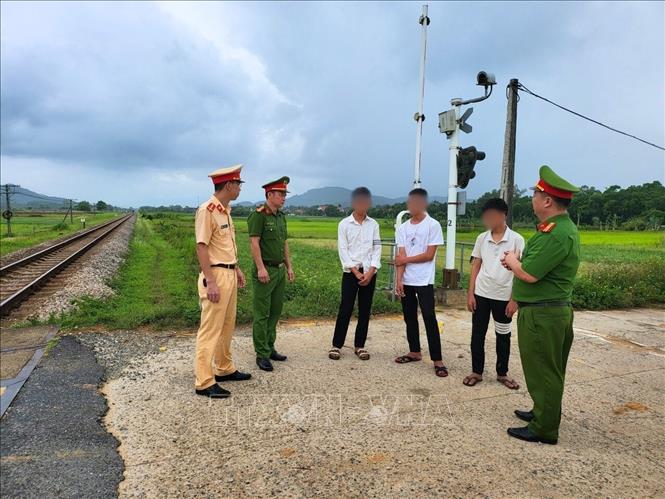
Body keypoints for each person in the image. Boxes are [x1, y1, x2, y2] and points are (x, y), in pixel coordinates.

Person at [501, 165, 580, 445]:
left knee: (544, 370)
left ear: (547, 201)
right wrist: (517, 261)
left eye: (536, 193)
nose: (532, 197)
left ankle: (544, 428)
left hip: (544, 313)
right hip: (545, 310)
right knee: (545, 367)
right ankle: (542, 412)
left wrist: (512, 262)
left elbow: (530, 274)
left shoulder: (556, 233)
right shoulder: (556, 230)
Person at [194, 165, 251, 398]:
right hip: (215, 275)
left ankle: (224, 368)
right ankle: (204, 381)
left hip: (228, 272)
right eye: (238, 184)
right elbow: (202, 246)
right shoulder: (207, 210)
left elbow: (225, 245)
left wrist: (236, 269)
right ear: (229, 185)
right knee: (210, 329)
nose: (239, 189)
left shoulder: (225, 210)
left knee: (227, 325)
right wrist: (211, 280)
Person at [464, 198, 525, 390]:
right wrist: (470, 294)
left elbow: (521, 272)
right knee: (477, 334)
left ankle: (502, 373)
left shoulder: (516, 239)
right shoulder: (482, 238)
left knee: (503, 336)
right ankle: (476, 371)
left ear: (504, 215)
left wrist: (515, 299)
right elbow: (476, 266)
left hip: (504, 297)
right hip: (481, 294)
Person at [394, 188, 448, 377]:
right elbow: (401, 255)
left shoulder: (433, 225)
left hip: (424, 280)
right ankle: (414, 351)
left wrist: (405, 261)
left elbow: (429, 255)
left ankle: (438, 359)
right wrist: (399, 279)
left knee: (429, 318)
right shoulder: (402, 228)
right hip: (407, 280)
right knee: (409, 316)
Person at [247, 176, 295, 372]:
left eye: (284, 194)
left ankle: (270, 347)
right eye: (280, 194)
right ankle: (261, 354)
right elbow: (254, 243)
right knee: (262, 313)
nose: (284, 197)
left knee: (275, 312)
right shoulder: (259, 215)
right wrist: (260, 268)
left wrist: (289, 266)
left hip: (279, 270)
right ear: (269, 195)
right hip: (265, 270)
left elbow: (284, 243)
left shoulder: (281, 217)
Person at [329, 187, 381, 361]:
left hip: (369, 272)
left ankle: (360, 346)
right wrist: (356, 273)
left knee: (365, 310)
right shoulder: (344, 224)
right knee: (346, 308)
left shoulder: (373, 224)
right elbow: (343, 250)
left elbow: (377, 248)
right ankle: (336, 345)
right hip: (351, 273)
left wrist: (371, 271)